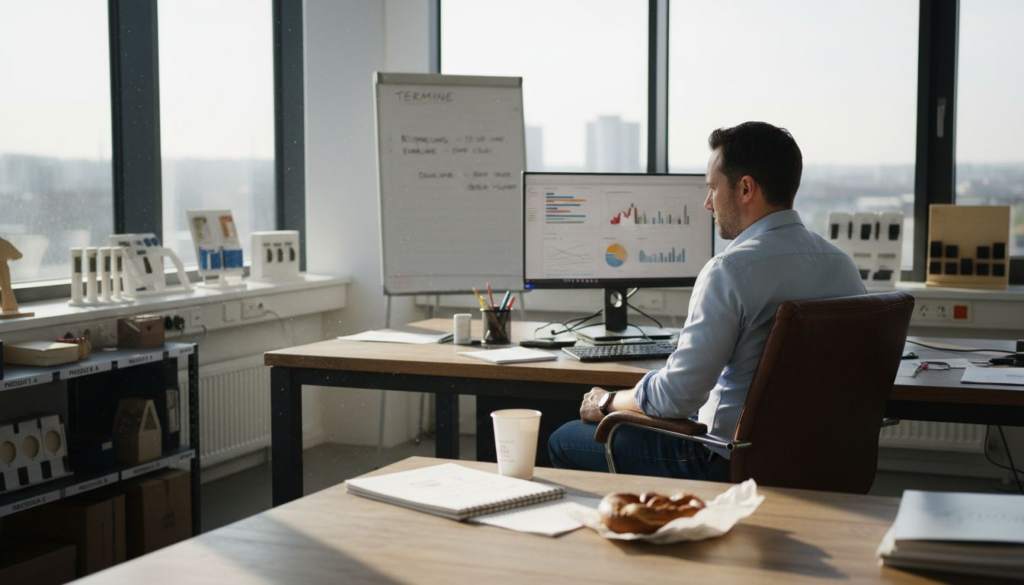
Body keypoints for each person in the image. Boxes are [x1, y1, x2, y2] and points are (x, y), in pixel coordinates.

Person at [547, 121, 866, 480]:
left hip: (726, 462)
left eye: (713, 188)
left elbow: (678, 397)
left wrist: (606, 402)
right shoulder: (843, 266)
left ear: (745, 188)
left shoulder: (730, 270)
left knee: (564, 439)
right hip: (821, 463)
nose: (707, 203)